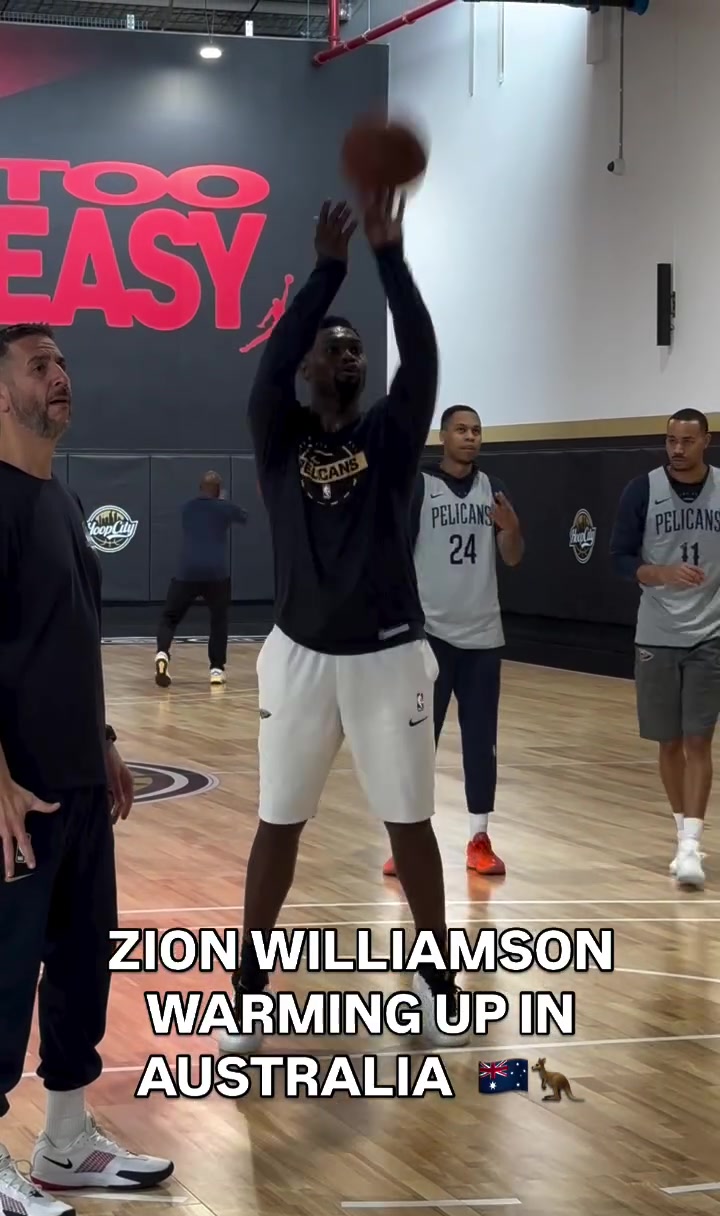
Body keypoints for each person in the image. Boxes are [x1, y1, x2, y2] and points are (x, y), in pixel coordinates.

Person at [217, 195, 469, 1056]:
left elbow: (422, 353)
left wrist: (389, 257)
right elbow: (270, 364)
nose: (349, 354)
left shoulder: (393, 436)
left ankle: (436, 980)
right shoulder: (278, 436)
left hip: (389, 658)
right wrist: (327, 273)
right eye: (335, 346)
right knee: (278, 821)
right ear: (310, 367)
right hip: (298, 658)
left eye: (358, 347)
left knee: (410, 823)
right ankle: (250, 989)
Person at [0, 322, 173, 1216]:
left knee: (79, 963)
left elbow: (70, 635)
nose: (60, 376)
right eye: (39, 366)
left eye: (62, 363)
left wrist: (103, 739)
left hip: (75, 782)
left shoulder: (59, 500)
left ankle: (65, 1141)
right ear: (1, 394)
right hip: (17, 794)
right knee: (2, 976)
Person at [382, 404, 524, 880]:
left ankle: (479, 838)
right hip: (430, 637)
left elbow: (513, 557)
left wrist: (513, 530)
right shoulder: (420, 487)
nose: (470, 437)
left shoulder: (494, 489)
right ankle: (406, 839)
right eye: (461, 430)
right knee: (420, 741)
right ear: (443, 437)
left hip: (483, 636)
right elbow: (397, 557)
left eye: (476, 430)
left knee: (481, 743)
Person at [610, 407, 720, 889]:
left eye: (687, 441)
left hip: (710, 633)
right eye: (671, 440)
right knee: (669, 742)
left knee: (699, 741)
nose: (677, 448)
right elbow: (618, 558)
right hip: (656, 632)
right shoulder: (642, 490)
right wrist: (660, 573)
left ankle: (693, 844)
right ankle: (681, 835)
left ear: (706, 441)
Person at [154, 471, 247, 688]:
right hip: (216, 574)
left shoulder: (187, 508)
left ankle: (162, 653)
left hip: (187, 572)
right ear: (218, 490)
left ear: (199, 488)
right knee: (218, 621)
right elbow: (243, 516)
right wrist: (223, 503)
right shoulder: (225, 508)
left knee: (170, 617)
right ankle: (216, 669)